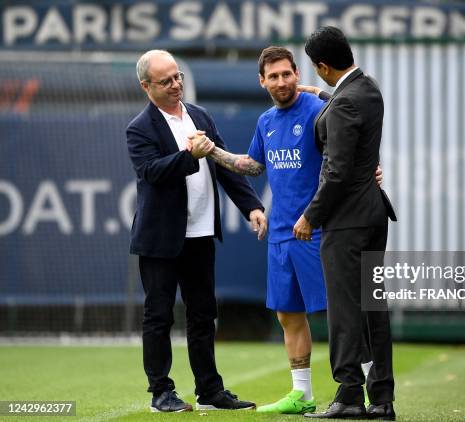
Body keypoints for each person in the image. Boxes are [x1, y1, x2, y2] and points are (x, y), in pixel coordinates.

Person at [189, 46, 382, 415]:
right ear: (262, 81)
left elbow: (354, 142)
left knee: (342, 314)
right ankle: (302, 394)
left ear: (297, 73)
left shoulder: (319, 110)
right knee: (288, 315)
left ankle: (373, 389)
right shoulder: (265, 122)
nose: (281, 81)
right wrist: (213, 151)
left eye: (287, 74)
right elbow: (252, 165)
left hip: (318, 230)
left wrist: (371, 170)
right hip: (280, 234)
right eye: (273, 76)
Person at [126, 49, 266, 413]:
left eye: (178, 77)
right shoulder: (140, 128)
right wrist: (190, 156)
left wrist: (251, 206)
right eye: (166, 81)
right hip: (160, 239)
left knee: (203, 315)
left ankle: (210, 391)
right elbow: (151, 172)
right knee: (159, 316)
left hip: (201, 234)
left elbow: (226, 168)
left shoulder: (200, 115)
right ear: (146, 86)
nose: (176, 85)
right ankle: (161, 393)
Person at [293, 27, 397, 420]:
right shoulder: (368, 89)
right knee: (373, 307)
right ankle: (382, 398)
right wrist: (321, 95)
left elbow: (334, 173)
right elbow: (345, 105)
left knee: (344, 309)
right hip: (373, 215)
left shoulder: (343, 105)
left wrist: (309, 216)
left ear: (322, 66)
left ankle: (349, 394)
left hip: (346, 222)